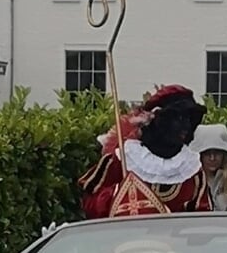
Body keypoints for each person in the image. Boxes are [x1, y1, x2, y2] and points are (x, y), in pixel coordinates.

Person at [78, 84, 211, 218]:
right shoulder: (123, 159)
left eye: (189, 119)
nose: (186, 126)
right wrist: (115, 196)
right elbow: (89, 203)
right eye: (179, 118)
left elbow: (201, 219)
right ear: (160, 120)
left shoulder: (192, 170)